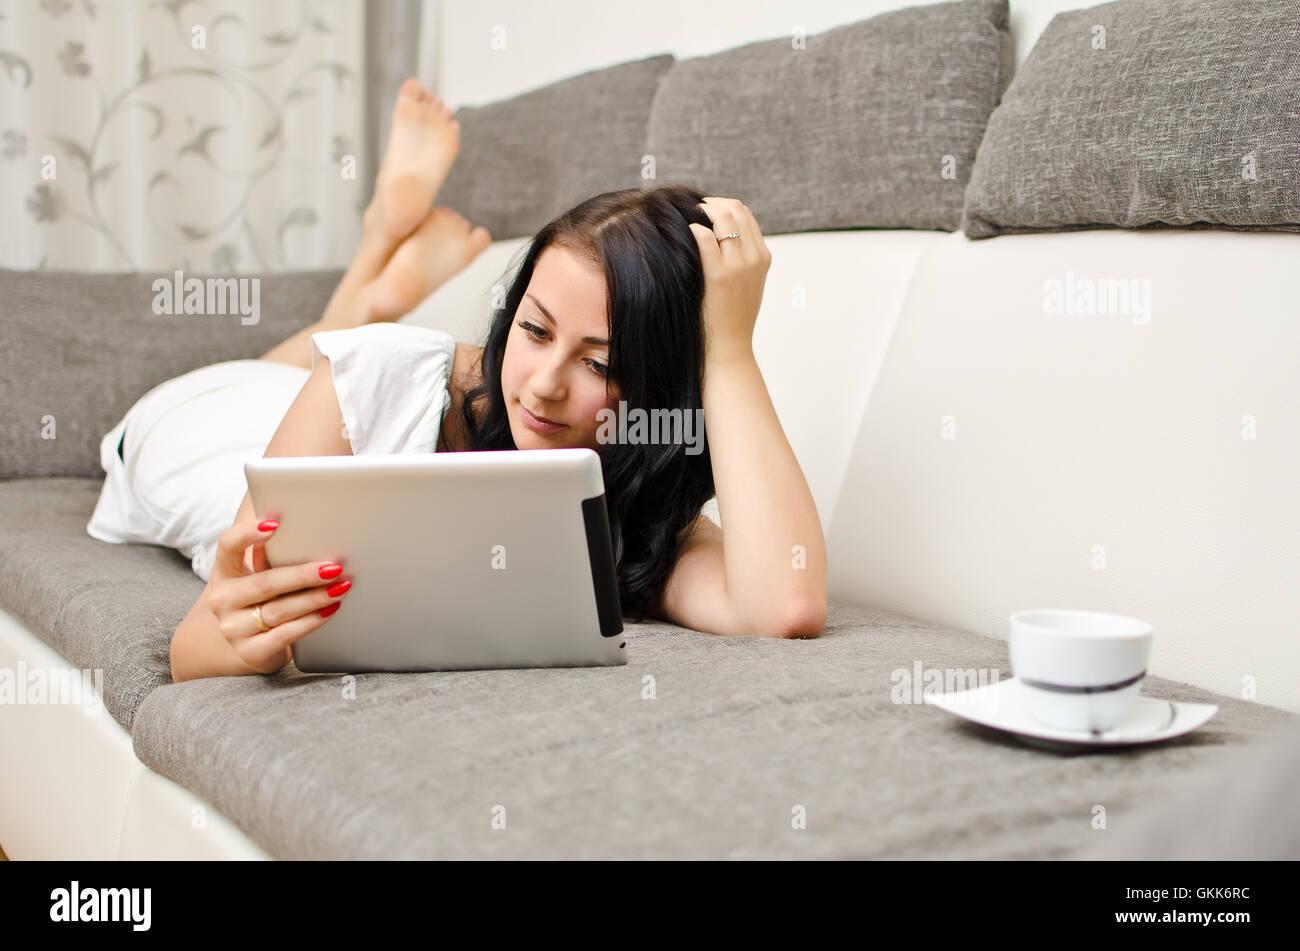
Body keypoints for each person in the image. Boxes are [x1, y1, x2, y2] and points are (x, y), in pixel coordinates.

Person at [89, 79, 827, 683]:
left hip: (340, 393)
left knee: (346, 360)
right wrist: (242, 634)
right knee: (332, 366)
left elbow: (784, 602)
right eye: (533, 330)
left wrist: (727, 349)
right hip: (193, 433)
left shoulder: (639, 515)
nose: (540, 386)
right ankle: (371, 275)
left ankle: (368, 289)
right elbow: (191, 652)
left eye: (599, 364)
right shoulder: (379, 376)